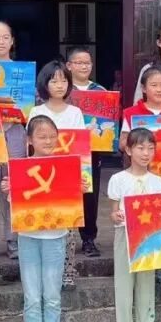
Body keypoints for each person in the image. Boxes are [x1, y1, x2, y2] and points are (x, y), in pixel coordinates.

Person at [0, 115, 87, 322]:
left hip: (56, 238)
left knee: (52, 295)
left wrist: (80, 188)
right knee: (31, 296)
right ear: (29, 140)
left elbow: (71, 201)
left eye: (52, 136)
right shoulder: (21, 168)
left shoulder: (66, 167)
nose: (48, 141)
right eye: (41, 136)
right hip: (28, 238)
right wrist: (10, 190)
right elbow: (16, 205)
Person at [29, 60, 88, 291]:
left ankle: (68, 272)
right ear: (45, 84)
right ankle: (44, 273)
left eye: (64, 80)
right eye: (54, 80)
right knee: (44, 222)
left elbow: (80, 149)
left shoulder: (75, 112)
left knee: (69, 226)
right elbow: (31, 147)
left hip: (67, 177)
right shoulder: (37, 112)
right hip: (42, 177)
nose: (60, 85)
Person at [108, 127, 161, 322]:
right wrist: (117, 216)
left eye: (150, 148)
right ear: (129, 150)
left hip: (149, 240)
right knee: (124, 293)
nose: (146, 153)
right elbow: (113, 213)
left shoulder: (158, 181)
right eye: (140, 148)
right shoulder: (118, 179)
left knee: (146, 293)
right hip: (125, 237)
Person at [0, 20, 26, 261]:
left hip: (15, 132)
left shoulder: (22, 72)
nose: (1, 41)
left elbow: (29, 105)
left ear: (12, 41)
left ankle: (14, 241)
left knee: (14, 186)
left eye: (5, 37)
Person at [66, 47, 106, 258]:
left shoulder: (100, 91)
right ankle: (64, 237)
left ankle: (89, 238)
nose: (84, 66)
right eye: (79, 62)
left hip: (91, 152)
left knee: (90, 194)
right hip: (65, 149)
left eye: (87, 63)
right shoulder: (62, 89)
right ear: (69, 66)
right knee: (64, 193)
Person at [121, 65, 161, 189]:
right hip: (140, 176)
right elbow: (122, 144)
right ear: (144, 88)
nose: (159, 90)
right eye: (154, 85)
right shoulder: (131, 113)